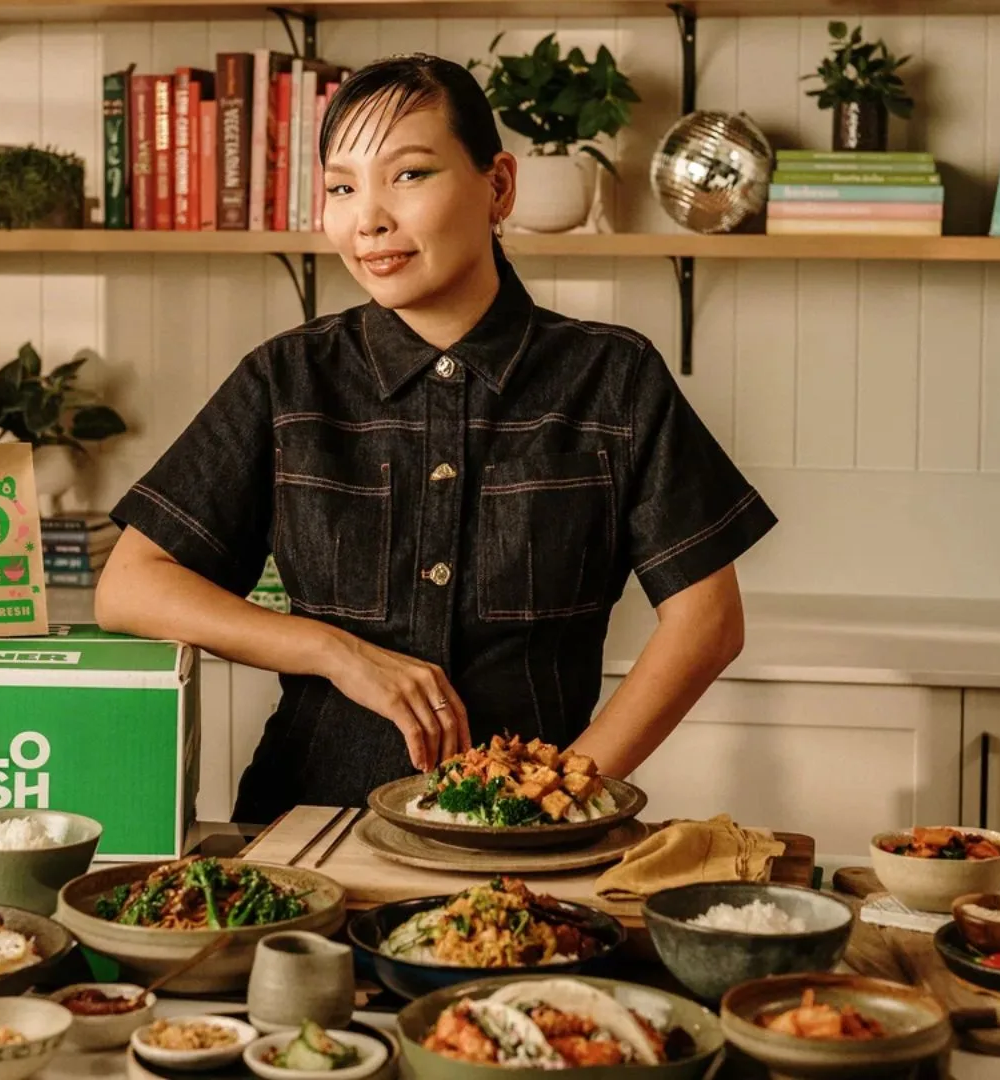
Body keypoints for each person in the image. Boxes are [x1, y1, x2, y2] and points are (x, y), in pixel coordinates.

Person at [95, 52, 776, 824]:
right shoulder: (287, 378)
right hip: (310, 828)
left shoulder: (612, 376)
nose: (369, 217)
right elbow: (130, 584)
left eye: (409, 175)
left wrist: (566, 795)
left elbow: (708, 622)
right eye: (342, 188)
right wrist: (336, 652)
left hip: (527, 851)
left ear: (498, 186)